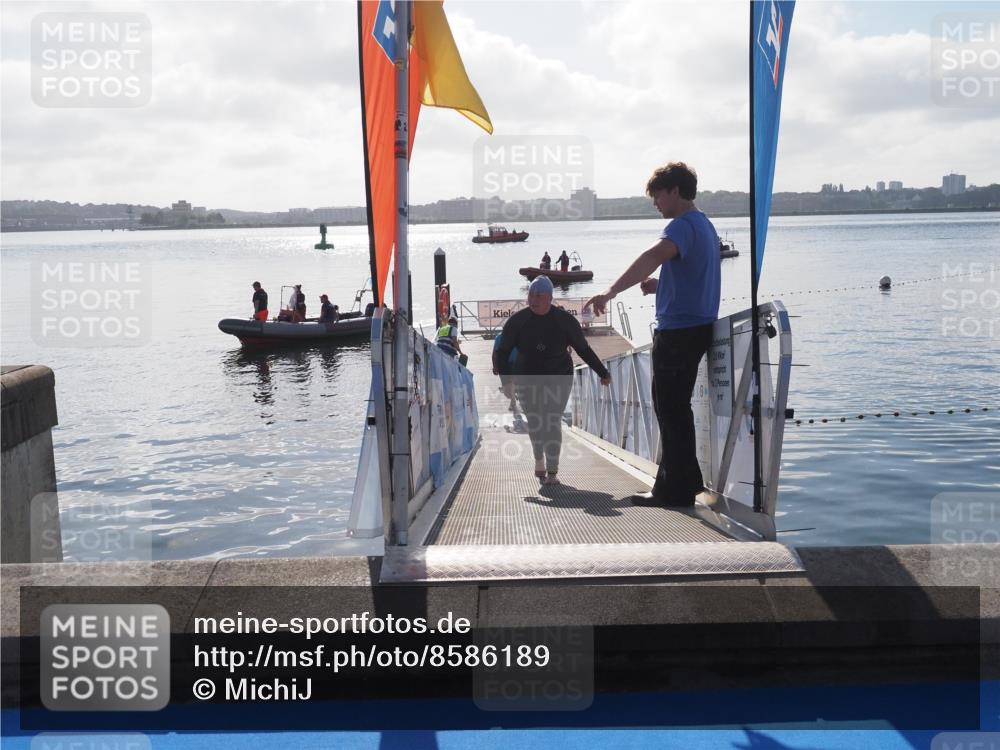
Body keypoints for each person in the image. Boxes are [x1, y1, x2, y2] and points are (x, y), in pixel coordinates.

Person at [584, 162, 720, 508]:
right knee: (676, 408)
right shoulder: (705, 226)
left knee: (670, 408)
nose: (655, 202)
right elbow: (695, 276)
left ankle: (673, 491)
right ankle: (687, 480)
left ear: (675, 190)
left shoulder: (682, 226)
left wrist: (610, 292)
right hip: (697, 326)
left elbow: (651, 257)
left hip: (678, 332)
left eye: (658, 195)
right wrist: (662, 287)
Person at [495, 275, 611, 485]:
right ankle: (539, 458)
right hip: (527, 376)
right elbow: (502, 352)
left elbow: (583, 349)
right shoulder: (518, 321)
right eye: (530, 294)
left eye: (539, 295)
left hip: (559, 375)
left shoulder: (564, 321)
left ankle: (553, 471)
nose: (533, 299)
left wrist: (602, 372)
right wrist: (507, 382)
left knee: (551, 420)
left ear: (550, 298)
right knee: (535, 422)